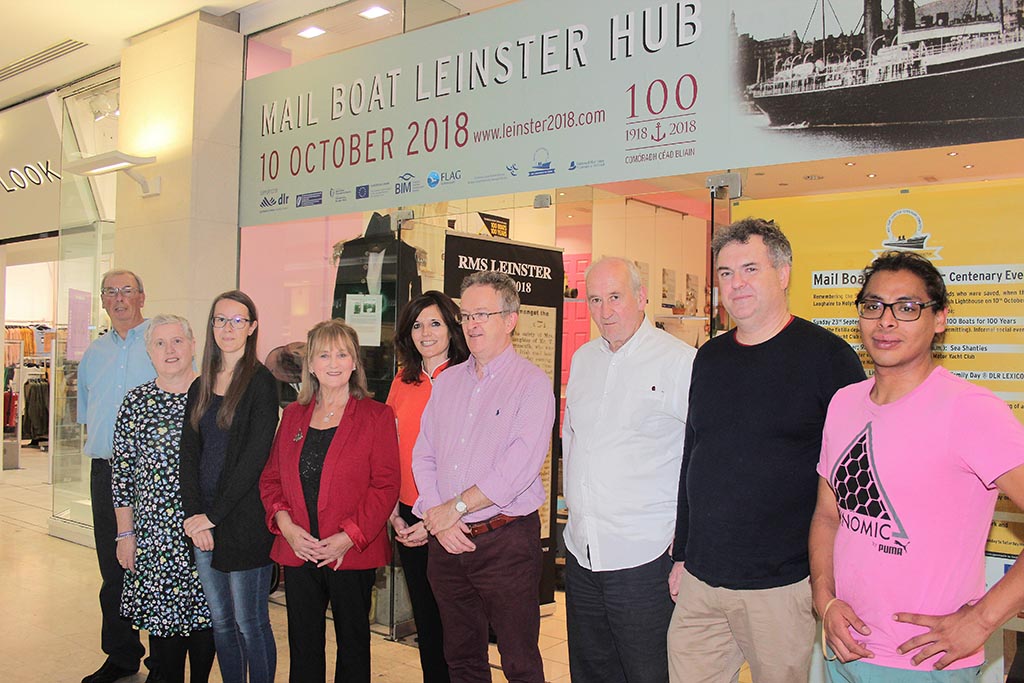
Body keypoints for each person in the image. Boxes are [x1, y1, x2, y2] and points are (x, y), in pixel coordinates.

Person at [667, 218, 865, 683]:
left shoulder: (829, 358)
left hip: (783, 585)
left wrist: (835, 580)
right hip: (701, 582)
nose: (736, 283)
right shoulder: (709, 357)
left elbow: (855, 476)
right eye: (726, 272)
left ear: (783, 273)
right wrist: (682, 553)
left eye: (750, 269)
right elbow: (693, 454)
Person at [810, 251, 1024, 681]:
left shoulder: (970, 410)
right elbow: (828, 516)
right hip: (843, 652)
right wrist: (825, 599)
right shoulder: (843, 403)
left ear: (939, 318)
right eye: (873, 306)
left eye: (907, 308)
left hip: (924, 665)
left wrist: (982, 620)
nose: (886, 322)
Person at [412, 270, 555, 683]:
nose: (472, 324)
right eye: (466, 315)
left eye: (483, 315)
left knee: (519, 663)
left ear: (510, 320)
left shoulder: (531, 384)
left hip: (505, 543)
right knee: (461, 661)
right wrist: (439, 517)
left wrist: (454, 508)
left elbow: (518, 469)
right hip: (448, 544)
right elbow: (424, 455)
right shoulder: (447, 382)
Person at [563, 257, 696, 683]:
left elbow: (703, 454)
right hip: (582, 553)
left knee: (648, 673)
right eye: (595, 300)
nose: (605, 311)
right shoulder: (583, 360)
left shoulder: (680, 361)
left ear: (641, 297)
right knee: (591, 672)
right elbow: (572, 441)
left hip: (645, 557)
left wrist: (687, 545)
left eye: (615, 297)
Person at [260, 319, 400, 683]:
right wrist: (287, 527)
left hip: (350, 552)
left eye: (342, 354)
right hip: (300, 549)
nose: (333, 363)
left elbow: (386, 486)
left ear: (355, 362)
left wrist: (347, 537)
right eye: (323, 355)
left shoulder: (377, 416)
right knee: (303, 645)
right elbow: (271, 478)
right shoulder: (293, 415)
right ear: (310, 364)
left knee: (352, 647)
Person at [180, 290, 279, 683]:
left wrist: (213, 517)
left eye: (238, 320)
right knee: (221, 621)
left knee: (249, 622)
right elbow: (188, 456)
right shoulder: (200, 385)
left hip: (243, 521)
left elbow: (254, 459)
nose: (228, 328)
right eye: (220, 320)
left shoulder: (261, 383)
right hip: (203, 524)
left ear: (252, 328)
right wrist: (195, 517)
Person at [111, 314, 214, 683]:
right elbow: (122, 475)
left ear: (193, 346)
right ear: (149, 352)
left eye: (177, 341)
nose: (170, 350)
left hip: (205, 531)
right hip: (156, 538)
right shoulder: (136, 403)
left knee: (206, 621)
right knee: (165, 630)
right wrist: (125, 535)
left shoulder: (213, 398)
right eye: (160, 343)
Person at [78, 269, 158, 683]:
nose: (119, 298)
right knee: (113, 570)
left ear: (142, 297)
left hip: (154, 474)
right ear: (103, 301)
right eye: (111, 291)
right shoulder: (94, 354)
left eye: (127, 290)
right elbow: (87, 413)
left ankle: (163, 661)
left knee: (158, 566)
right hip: (106, 471)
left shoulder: (161, 343)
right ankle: (122, 656)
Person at [387, 291, 470, 683]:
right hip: (409, 516)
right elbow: (389, 449)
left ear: (452, 328)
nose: (426, 333)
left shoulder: (469, 378)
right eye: (417, 325)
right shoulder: (403, 382)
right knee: (426, 620)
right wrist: (393, 511)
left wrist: (437, 520)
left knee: (458, 624)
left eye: (435, 323)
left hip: (455, 516)